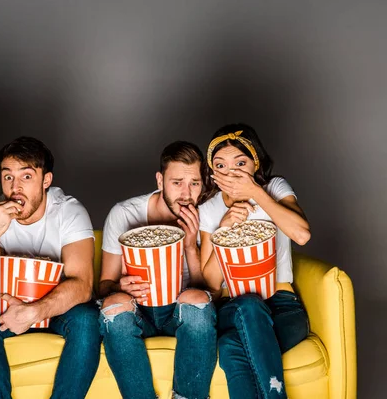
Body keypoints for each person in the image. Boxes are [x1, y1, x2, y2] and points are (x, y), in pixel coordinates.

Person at [0, 136, 101, 399]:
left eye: (26, 177)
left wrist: (33, 312)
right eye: (8, 177)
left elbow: (82, 285)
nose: (15, 188)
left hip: (58, 310)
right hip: (8, 305)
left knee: (88, 319)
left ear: (46, 180)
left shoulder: (69, 212)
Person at [199, 123, 311, 399]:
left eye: (240, 163)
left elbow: (301, 234)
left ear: (255, 163)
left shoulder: (274, 187)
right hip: (233, 306)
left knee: (231, 347)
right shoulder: (209, 208)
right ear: (212, 170)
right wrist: (222, 229)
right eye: (220, 165)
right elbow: (210, 282)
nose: (230, 172)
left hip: (282, 306)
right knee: (248, 305)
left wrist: (256, 193)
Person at [98, 141, 217, 399]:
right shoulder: (124, 214)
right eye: (177, 182)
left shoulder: (205, 216)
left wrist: (190, 246)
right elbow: (104, 285)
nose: (186, 194)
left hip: (181, 313)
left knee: (195, 300)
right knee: (114, 305)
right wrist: (120, 286)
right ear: (160, 180)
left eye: (194, 183)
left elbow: (209, 291)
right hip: (139, 313)